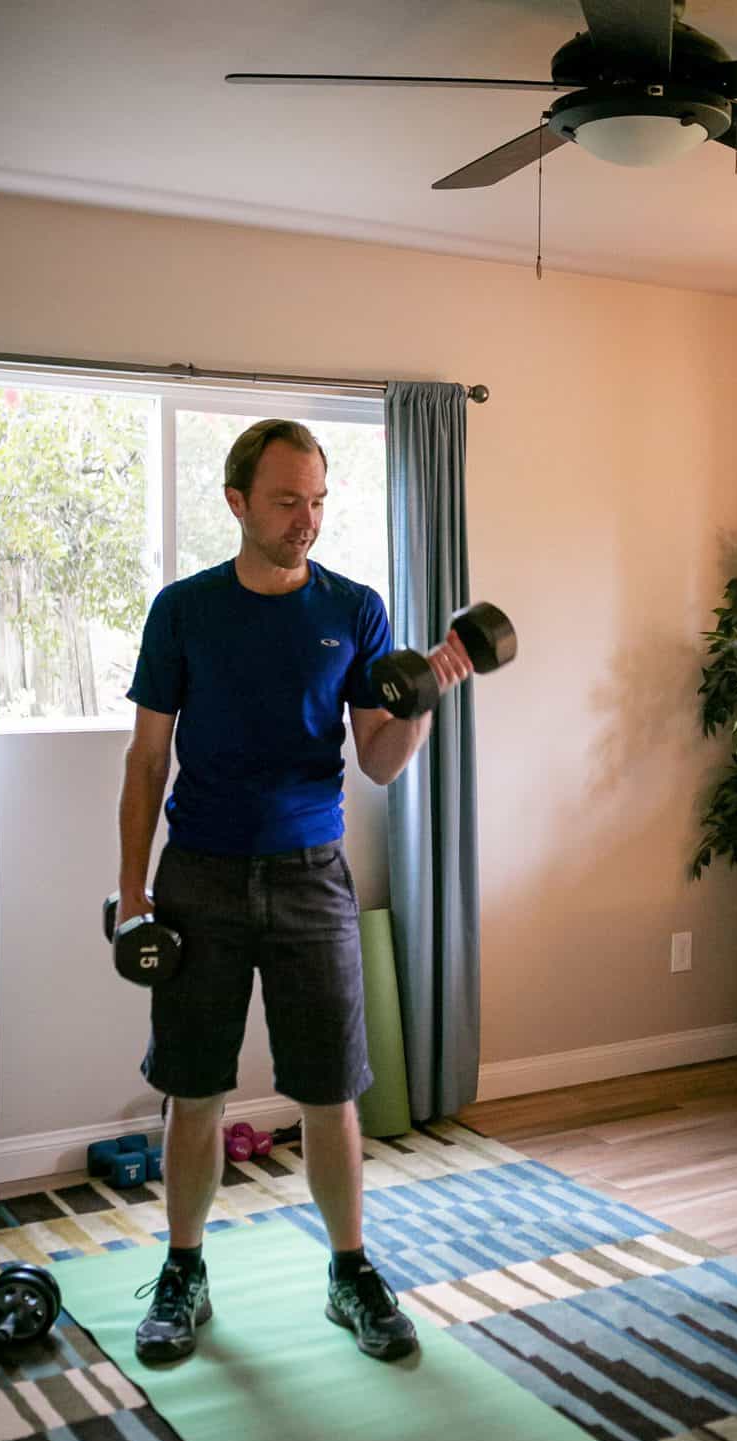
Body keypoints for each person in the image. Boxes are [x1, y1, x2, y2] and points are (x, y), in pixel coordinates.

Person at [117, 417, 471, 1365]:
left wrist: (424, 700)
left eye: (317, 500)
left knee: (329, 1091)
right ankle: (183, 1270)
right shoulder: (183, 611)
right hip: (199, 874)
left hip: (314, 876)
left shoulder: (355, 608)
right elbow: (149, 758)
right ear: (237, 502)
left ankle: (350, 1272)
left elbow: (381, 762)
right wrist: (132, 892)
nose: (306, 519)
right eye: (286, 501)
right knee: (194, 1092)